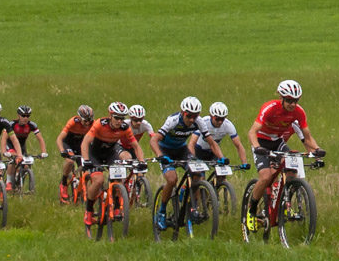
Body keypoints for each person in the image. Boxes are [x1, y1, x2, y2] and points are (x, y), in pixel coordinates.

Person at [246, 79, 321, 234]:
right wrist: (257, 147)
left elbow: (307, 137)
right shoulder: (269, 108)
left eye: (295, 101)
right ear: (281, 98)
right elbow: (252, 132)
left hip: (277, 142)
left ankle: (285, 203)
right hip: (261, 141)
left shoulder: (299, 112)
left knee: (292, 165)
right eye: (288, 100)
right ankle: (251, 211)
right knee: (266, 177)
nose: (292, 104)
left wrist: (318, 152)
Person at [152, 97, 229, 227]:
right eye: (189, 116)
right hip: (165, 150)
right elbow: (154, 140)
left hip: (182, 149)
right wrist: (160, 155)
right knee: (171, 179)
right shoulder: (173, 121)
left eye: (195, 115)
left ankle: (192, 207)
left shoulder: (199, 122)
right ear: (183, 112)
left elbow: (211, 142)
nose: (192, 119)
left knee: (197, 172)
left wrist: (221, 158)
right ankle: (162, 211)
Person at [79, 103, 142, 230]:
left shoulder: (124, 127)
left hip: (110, 154)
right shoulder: (99, 124)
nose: (119, 121)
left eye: (122, 118)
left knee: (118, 178)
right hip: (94, 154)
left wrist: (141, 161)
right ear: (110, 115)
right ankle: (89, 211)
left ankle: (117, 206)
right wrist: (86, 160)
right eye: (117, 118)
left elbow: (136, 146)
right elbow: (85, 142)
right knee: (98, 180)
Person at [55, 105, 96, 201]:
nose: (87, 123)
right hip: (68, 144)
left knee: (85, 166)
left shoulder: (93, 124)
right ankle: (64, 183)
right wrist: (62, 151)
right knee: (70, 161)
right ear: (79, 117)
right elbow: (60, 138)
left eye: (89, 120)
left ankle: (81, 186)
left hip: (80, 145)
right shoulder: (73, 122)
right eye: (85, 120)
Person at [194, 101, 251, 169]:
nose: (220, 122)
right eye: (217, 119)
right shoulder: (203, 122)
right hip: (199, 151)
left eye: (222, 119)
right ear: (211, 116)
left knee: (222, 172)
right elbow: (192, 141)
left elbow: (238, 145)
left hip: (214, 151)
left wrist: (244, 163)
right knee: (199, 175)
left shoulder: (228, 125)